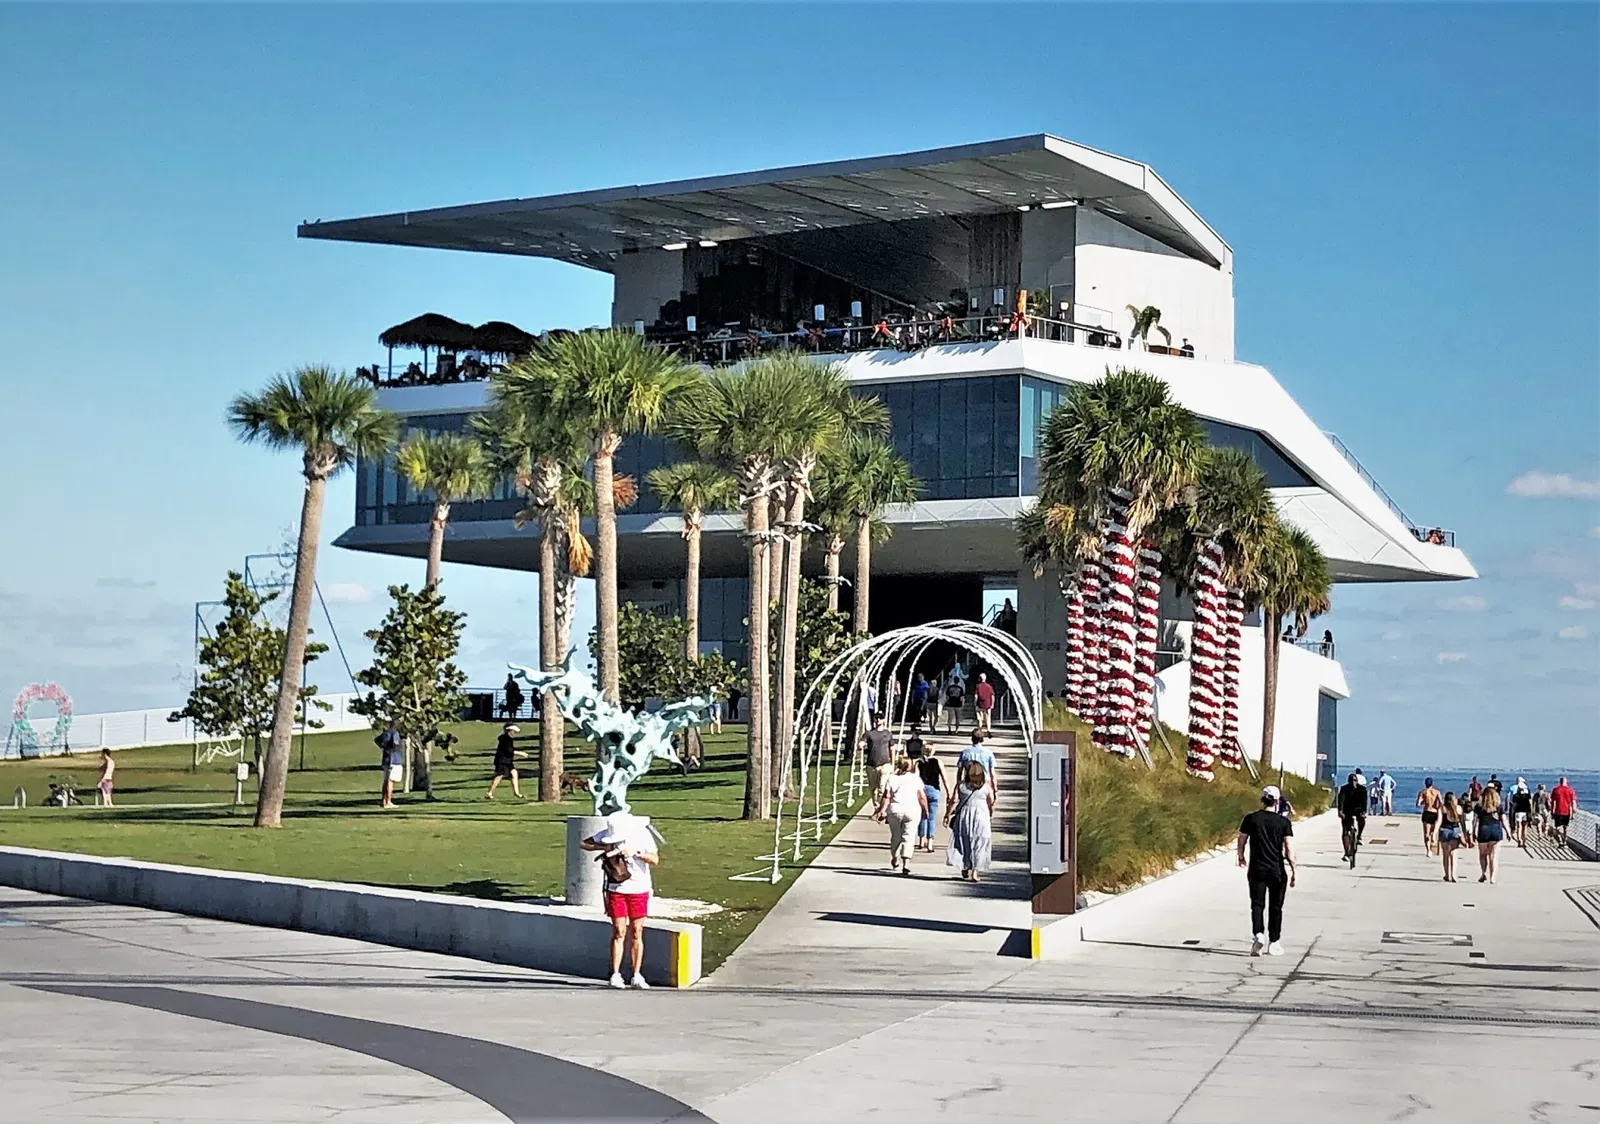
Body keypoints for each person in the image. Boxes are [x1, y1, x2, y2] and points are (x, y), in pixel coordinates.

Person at [581, 813, 660, 989]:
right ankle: (615, 974)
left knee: (637, 931)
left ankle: (636, 974)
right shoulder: (608, 833)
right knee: (619, 931)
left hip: (639, 888)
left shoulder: (641, 835)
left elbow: (655, 859)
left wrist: (638, 853)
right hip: (616, 889)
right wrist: (606, 847)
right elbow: (584, 843)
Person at [1237, 785, 1297, 956]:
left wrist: (1241, 857)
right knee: (1276, 907)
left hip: (1257, 868)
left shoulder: (1251, 818)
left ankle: (1258, 934)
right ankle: (1274, 942)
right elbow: (1288, 848)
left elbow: (1242, 840)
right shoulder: (1283, 822)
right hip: (1276, 869)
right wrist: (1294, 870)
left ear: (1262, 799)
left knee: (1257, 904)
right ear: (1277, 801)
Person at [874, 757, 928, 875]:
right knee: (909, 837)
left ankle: (894, 856)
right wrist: (926, 809)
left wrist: (881, 810)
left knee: (896, 837)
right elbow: (921, 796)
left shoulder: (891, 779)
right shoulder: (915, 778)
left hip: (895, 810)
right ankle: (906, 864)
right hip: (912, 810)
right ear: (910, 766)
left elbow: (887, 796)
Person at [945, 760, 995, 881]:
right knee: (979, 843)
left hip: (964, 816)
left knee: (964, 840)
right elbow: (991, 801)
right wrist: (990, 811)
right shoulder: (986, 787)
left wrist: (947, 814)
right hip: (982, 817)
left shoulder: (961, 786)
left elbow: (953, 801)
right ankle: (975, 872)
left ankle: (964, 865)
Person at [915, 741, 951, 853]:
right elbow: (944, 778)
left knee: (922, 816)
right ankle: (930, 843)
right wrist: (949, 793)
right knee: (931, 817)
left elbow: (916, 778)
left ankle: (921, 840)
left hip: (922, 790)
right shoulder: (938, 762)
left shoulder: (918, 763)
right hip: (934, 790)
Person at [486, 723, 524, 800]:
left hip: (508, 761)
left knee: (514, 773)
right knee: (499, 776)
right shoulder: (506, 739)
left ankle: (517, 793)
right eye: (513, 731)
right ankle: (489, 792)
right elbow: (509, 751)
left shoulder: (507, 739)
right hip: (502, 761)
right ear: (509, 731)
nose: (514, 733)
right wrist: (521, 753)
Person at [1475, 787, 1506, 883]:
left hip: (1483, 830)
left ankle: (1483, 873)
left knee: (1483, 854)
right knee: (1493, 856)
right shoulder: (1498, 806)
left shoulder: (1479, 807)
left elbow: (1474, 821)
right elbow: (1504, 819)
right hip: (1496, 830)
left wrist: (1471, 832)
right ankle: (1492, 877)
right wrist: (1508, 832)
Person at [862, 713, 895, 798]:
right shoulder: (869, 734)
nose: (878, 720)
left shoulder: (888, 733)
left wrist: (893, 764)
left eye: (880, 718)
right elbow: (862, 741)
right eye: (876, 718)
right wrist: (860, 744)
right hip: (871, 765)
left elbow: (892, 748)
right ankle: (877, 808)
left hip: (885, 764)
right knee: (873, 789)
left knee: (882, 787)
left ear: (884, 720)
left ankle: (881, 809)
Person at [957, 730, 997, 798]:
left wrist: (958, 786)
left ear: (972, 738)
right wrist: (995, 789)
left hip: (968, 783)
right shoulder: (988, 753)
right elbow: (992, 774)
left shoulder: (965, 752)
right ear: (982, 739)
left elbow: (959, 772)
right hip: (984, 783)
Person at [1335, 771, 1367, 857]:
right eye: (1352, 780)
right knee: (1345, 831)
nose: (1353, 782)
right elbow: (1341, 800)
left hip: (1358, 809)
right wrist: (1340, 811)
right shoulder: (1344, 789)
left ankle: (1359, 835)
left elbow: (1364, 802)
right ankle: (1347, 852)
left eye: (1355, 780)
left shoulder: (1362, 789)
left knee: (1362, 820)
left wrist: (1364, 812)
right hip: (1347, 810)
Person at [1438, 792, 1466, 881]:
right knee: (1454, 853)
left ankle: (1447, 874)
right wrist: (1465, 834)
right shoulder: (1459, 808)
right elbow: (1462, 823)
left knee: (1445, 854)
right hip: (1456, 830)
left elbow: (1438, 821)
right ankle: (1453, 874)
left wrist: (1434, 833)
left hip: (1444, 830)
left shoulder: (1442, 808)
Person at [377, 720, 403, 809]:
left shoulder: (385, 733)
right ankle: (388, 801)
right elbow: (395, 744)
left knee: (386, 780)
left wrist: (384, 747)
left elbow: (377, 740)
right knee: (390, 781)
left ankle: (384, 800)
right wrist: (397, 748)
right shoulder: (395, 733)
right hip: (394, 760)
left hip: (386, 759)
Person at [1417, 778, 1443, 855]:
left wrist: (1424, 802)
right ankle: (1433, 837)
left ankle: (1428, 851)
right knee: (1434, 831)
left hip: (1427, 813)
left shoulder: (1423, 792)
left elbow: (1418, 804)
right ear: (1432, 784)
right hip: (1435, 813)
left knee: (1426, 833)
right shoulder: (1437, 792)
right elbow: (1441, 803)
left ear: (1425, 783)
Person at [1551, 776, 1579, 846]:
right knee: (1565, 827)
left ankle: (1560, 840)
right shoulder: (1570, 790)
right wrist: (1573, 812)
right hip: (1567, 811)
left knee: (1557, 827)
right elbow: (1573, 802)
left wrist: (1552, 811)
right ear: (1566, 782)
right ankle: (1565, 841)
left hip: (1558, 811)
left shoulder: (1555, 790)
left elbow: (1553, 802)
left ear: (1560, 782)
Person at [1509, 778, 1534, 848]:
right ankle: (1524, 841)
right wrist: (1531, 811)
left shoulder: (1515, 796)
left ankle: (1519, 840)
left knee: (1519, 827)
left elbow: (1512, 803)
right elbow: (1530, 803)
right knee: (1524, 827)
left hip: (1518, 812)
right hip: (1525, 812)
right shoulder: (1527, 796)